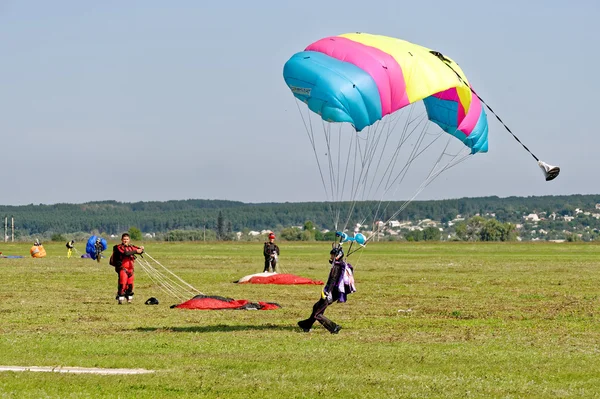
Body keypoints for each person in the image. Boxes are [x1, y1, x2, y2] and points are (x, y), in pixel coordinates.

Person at [297, 245, 356, 334]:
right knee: (316, 307)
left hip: (330, 293)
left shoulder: (336, 267)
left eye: (332, 255)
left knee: (318, 314)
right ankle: (306, 325)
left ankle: (333, 327)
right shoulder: (340, 264)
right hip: (334, 292)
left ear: (337, 256)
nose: (331, 257)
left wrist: (327, 293)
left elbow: (332, 281)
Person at [111, 233, 144, 304]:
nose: (125, 241)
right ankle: (120, 299)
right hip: (123, 268)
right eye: (124, 239)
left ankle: (129, 298)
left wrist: (141, 249)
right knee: (123, 283)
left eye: (127, 239)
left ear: (129, 240)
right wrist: (136, 251)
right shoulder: (118, 247)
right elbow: (126, 253)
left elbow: (139, 250)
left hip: (131, 269)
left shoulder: (131, 247)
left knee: (130, 284)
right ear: (121, 240)